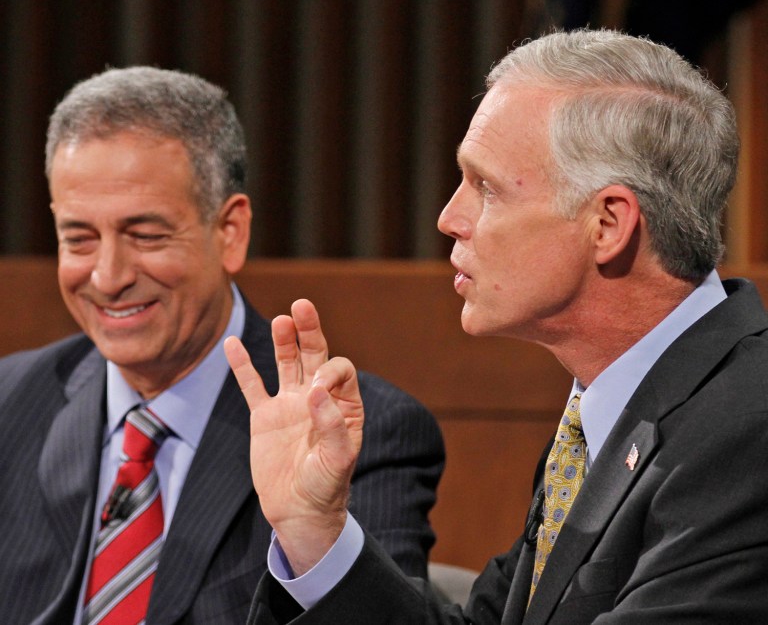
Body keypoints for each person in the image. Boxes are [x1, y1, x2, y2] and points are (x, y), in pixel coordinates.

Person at [225, 28, 768, 624]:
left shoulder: (748, 430)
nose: (449, 217)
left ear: (608, 224)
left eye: (485, 187)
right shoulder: (602, 419)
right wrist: (314, 531)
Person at [0, 67, 444, 624]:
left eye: (146, 235)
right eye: (79, 239)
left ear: (229, 231)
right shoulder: (10, 403)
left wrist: (314, 535)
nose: (108, 277)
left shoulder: (355, 433)